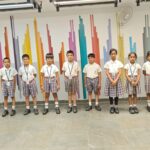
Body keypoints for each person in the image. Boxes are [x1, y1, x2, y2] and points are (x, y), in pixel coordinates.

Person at [104, 48, 124, 114]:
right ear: (110, 55)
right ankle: (111, 107)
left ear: (116, 54)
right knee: (110, 94)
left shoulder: (119, 63)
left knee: (116, 94)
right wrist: (111, 80)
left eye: (114, 54)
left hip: (117, 79)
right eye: (112, 54)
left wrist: (115, 80)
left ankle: (116, 107)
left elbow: (120, 72)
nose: (113, 55)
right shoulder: (107, 63)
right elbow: (107, 72)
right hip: (109, 79)